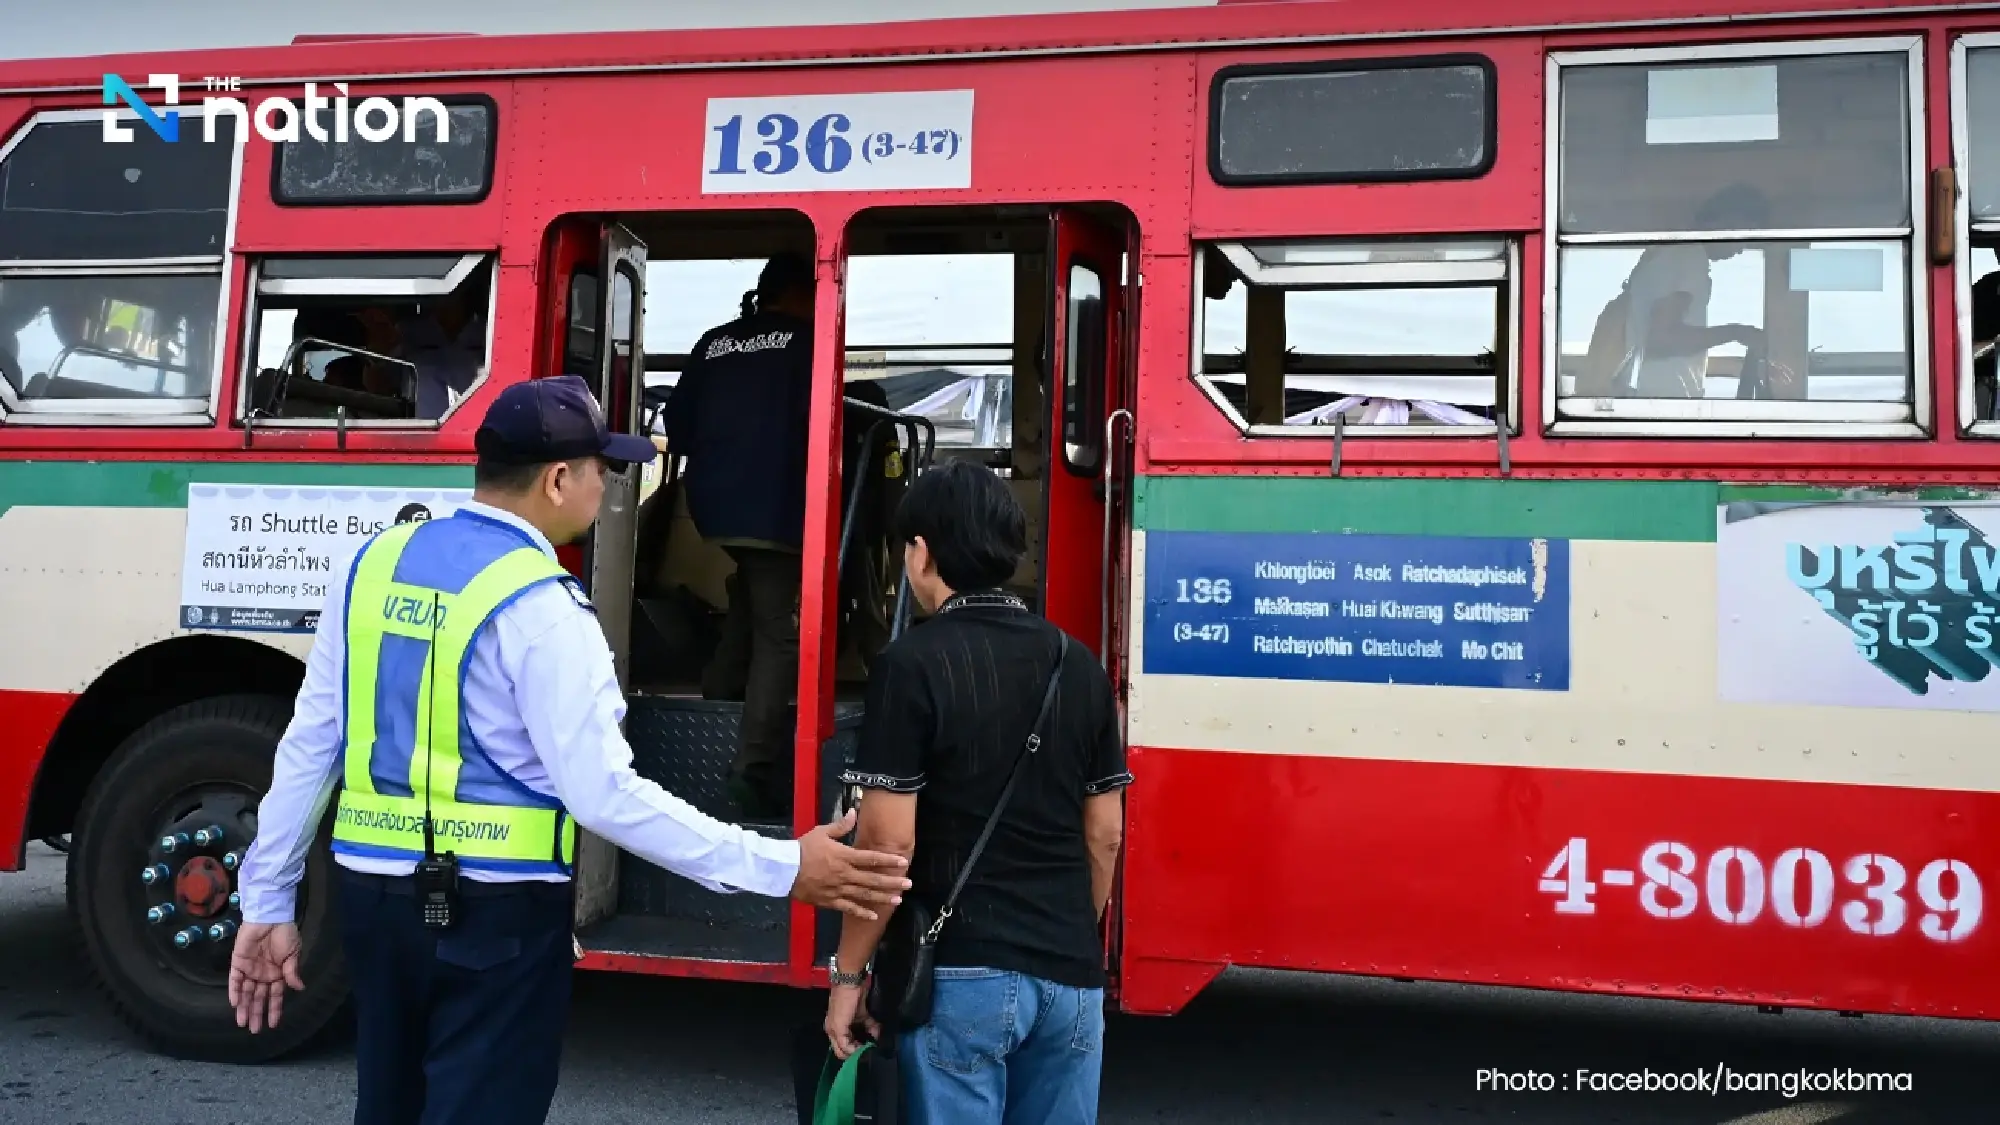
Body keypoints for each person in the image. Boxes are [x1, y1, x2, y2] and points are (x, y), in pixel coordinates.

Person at [228, 373, 911, 1125]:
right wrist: (783, 864)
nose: (608, 485)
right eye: (602, 469)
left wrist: (267, 897)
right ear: (558, 479)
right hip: (496, 915)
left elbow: (309, 746)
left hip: (370, 899)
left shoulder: (374, 563)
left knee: (388, 1105)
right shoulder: (542, 605)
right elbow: (605, 794)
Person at [822, 459, 1131, 1125]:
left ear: (923, 551)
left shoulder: (911, 664)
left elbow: (886, 843)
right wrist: (1069, 933)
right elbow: (1105, 833)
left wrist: (849, 975)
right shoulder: (1078, 664)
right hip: (1071, 978)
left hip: (963, 978)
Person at [661, 252, 817, 821]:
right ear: (801, 293)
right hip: (776, 506)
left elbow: (675, 423)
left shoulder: (715, 341)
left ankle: (722, 687)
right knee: (783, 634)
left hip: (716, 506)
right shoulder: (809, 342)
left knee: (754, 592)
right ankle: (752, 772)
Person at [1588, 183, 1771, 398]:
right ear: (1726, 221)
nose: (1741, 248)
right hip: (1658, 402)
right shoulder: (1689, 256)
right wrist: (1736, 332)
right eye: (1745, 232)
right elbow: (1663, 339)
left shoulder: (1668, 253)